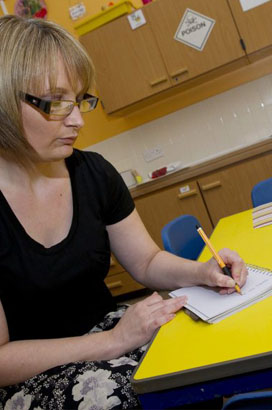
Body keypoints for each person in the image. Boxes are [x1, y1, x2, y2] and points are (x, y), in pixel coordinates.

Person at [0, 15, 247, 410]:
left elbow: (146, 261)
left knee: (199, 361)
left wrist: (201, 272)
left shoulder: (93, 172)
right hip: (30, 375)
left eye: (80, 100)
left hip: (109, 331)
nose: (78, 120)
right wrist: (113, 341)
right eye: (57, 103)